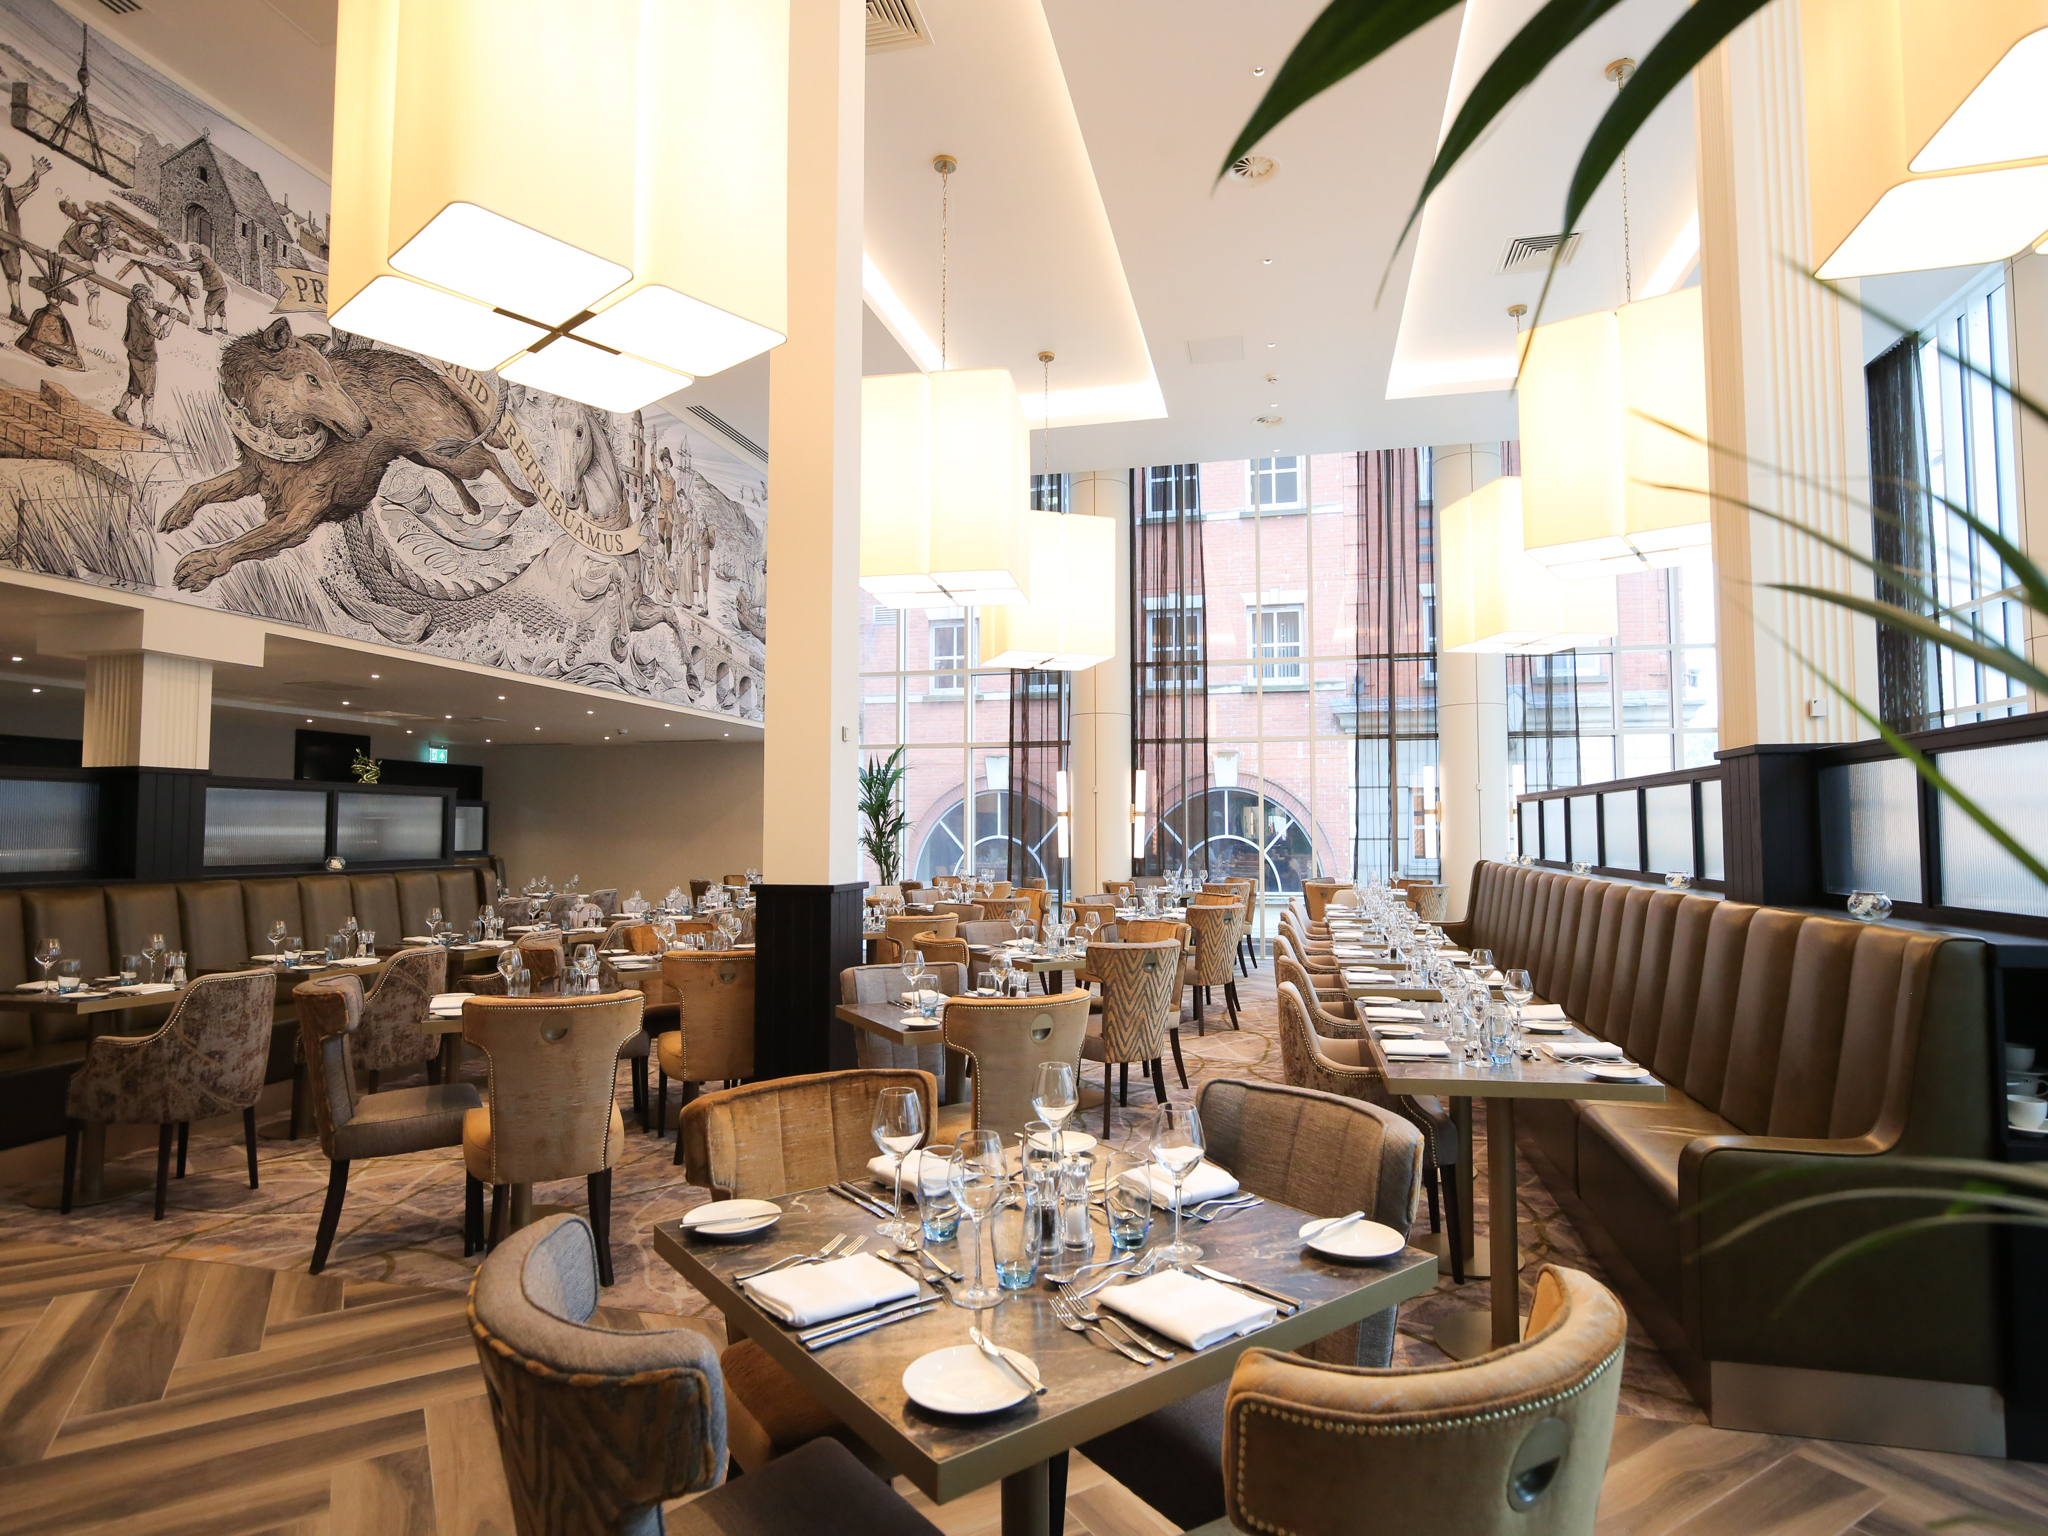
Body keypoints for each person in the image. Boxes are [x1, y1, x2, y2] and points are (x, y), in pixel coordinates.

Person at [112, 282, 174, 430]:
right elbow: (160, 333)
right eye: (150, 298)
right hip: (145, 356)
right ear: (143, 298)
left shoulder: (133, 307)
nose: (152, 301)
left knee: (134, 388)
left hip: (134, 353)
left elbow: (149, 328)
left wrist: (159, 314)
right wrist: (172, 319)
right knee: (148, 393)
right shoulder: (143, 316)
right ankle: (148, 425)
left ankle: (120, 411)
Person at [0, 153, 52, 325]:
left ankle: (16, 310)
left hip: (9, 241)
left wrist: (36, 174)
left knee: (14, 276)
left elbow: (27, 188)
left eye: (4, 168)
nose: (1, 170)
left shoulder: (9, 194)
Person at [55, 198, 112, 329]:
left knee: (95, 290)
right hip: (70, 252)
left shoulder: (104, 236)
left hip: (80, 256)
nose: (117, 232)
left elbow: (101, 247)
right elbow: (85, 236)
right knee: (90, 283)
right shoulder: (93, 226)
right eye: (115, 228)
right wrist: (100, 248)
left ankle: (93, 318)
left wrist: (106, 249)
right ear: (107, 226)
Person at [181, 242, 228, 335]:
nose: (190, 254)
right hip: (222, 289)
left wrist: (179, 265)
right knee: (221, 310)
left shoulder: (201, 261)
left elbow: (191, 266)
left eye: (191, 252)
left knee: (208, 309)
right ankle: (224, 329)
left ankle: (208, 329)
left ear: (195, 253)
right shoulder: (205, 259)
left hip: (216, 290)